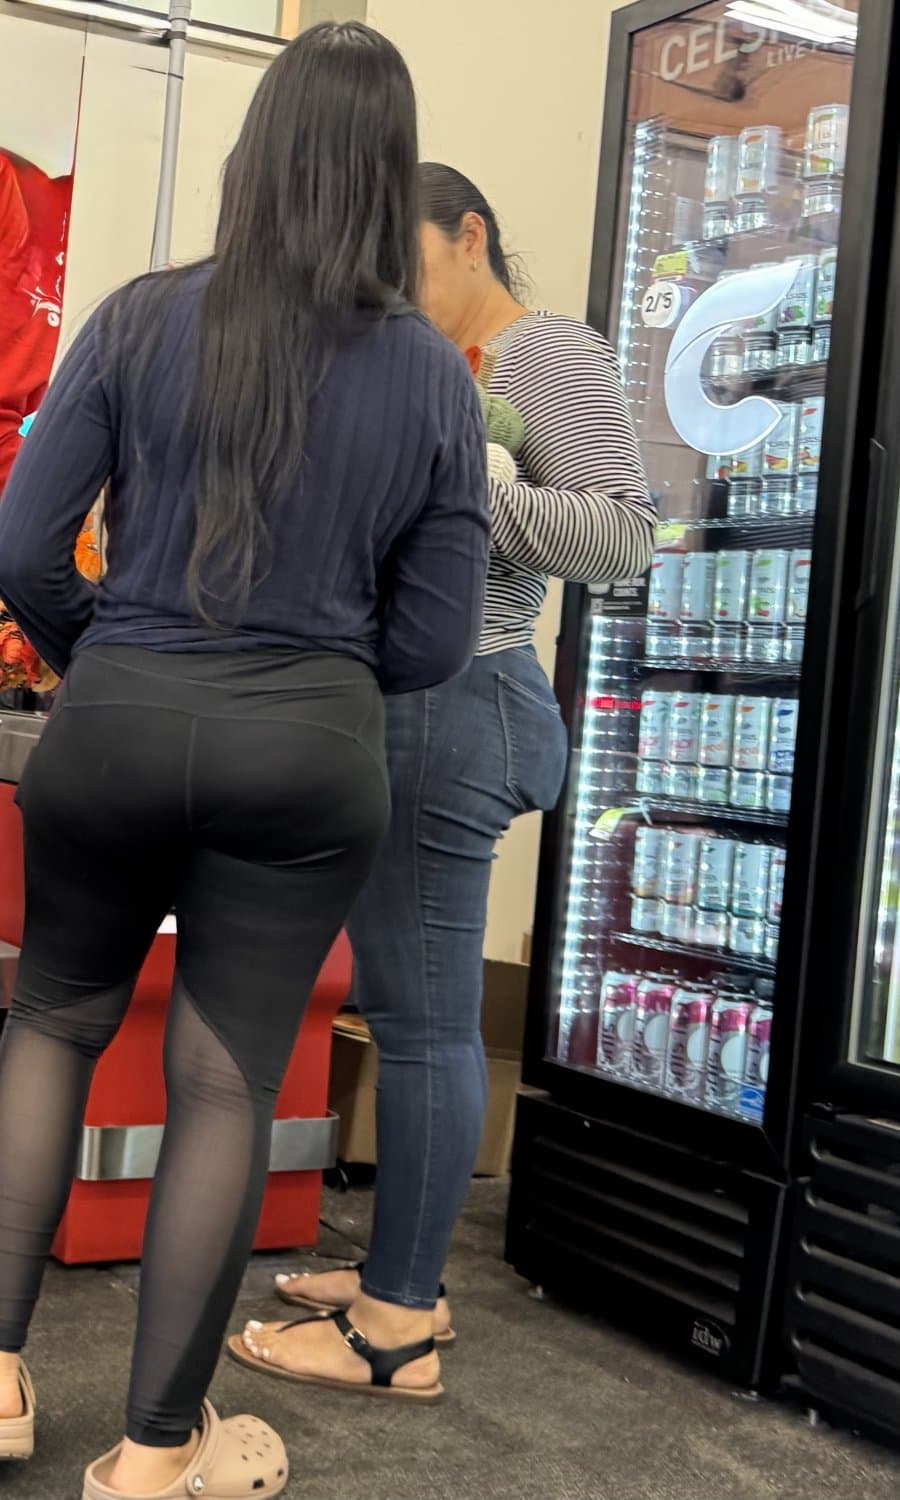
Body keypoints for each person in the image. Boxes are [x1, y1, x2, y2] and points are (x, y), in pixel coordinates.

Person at [0, 27, 489, 1500]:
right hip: (310, 754)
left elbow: (23, 543)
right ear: (386, 179)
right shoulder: (431, 379)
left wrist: (106, 654)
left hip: (118, 723)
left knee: (48, 1026)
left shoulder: (143, 317)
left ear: (253, 155)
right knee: (225, 1089)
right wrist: (323, 687)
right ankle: (155, 1457)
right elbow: (437, 635)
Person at [233, 164, 654, 1388]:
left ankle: (397, 1326)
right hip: (411, 706)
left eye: (403, 263)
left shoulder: (546, 356)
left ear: (471, 238)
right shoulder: (418, 365)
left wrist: (475, 494)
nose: (385, 294)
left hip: (464, 698)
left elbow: (627, 537)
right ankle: (393, 1271)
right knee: (408, 1009)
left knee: (421, 1022)